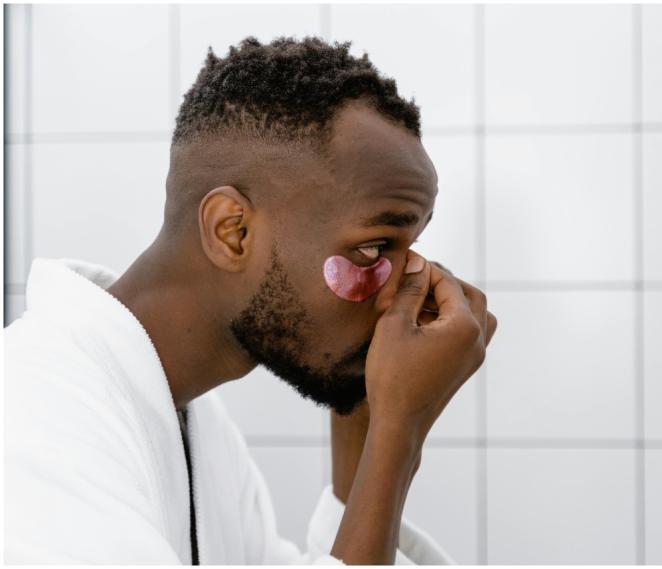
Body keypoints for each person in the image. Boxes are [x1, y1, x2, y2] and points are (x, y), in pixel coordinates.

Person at [4, 35, 496, 564]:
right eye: (373, 247)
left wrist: (370, 424)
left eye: (411, 250)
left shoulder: (200, 426)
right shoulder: (32, 419)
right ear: (232, 232)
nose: (401, 290)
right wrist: (398, 440)